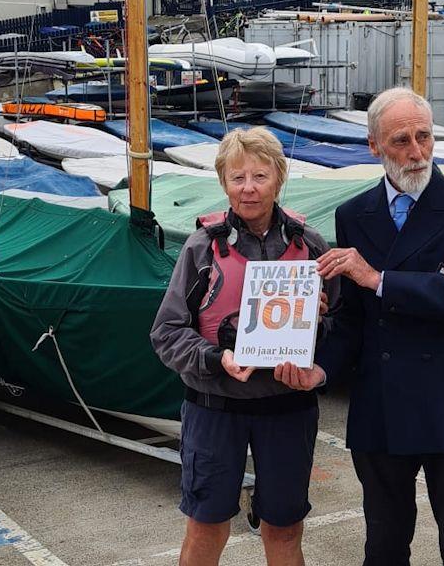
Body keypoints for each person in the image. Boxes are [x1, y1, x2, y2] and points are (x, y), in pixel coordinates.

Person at [275, 87, 444, 565]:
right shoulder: (354, 215)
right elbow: (354, 320)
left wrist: (378, 278)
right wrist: (320, 370)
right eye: (401, 140)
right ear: (374, 146)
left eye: (424, 137)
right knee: (383, 544)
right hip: (383, 405)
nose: (417, 151)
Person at [150, 127, 336, 566]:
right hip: (215, 406)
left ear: (279, 178)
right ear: (223, 183)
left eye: (260, 176)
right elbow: (166, 333)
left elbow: (341, 329)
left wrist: (319, 324)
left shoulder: (310, 248)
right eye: (237, 178)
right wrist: (217, 358)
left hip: (287, 407)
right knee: (207, 525)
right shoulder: (201, 248)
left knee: (286, 528)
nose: (248, 188)